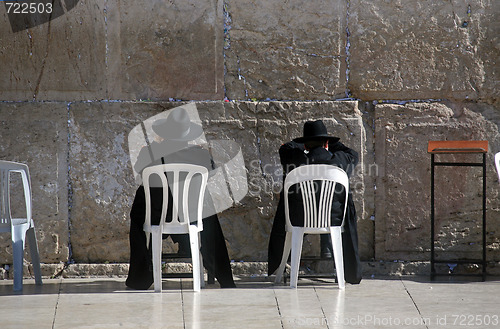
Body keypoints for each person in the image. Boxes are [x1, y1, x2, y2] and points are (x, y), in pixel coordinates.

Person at [126, 107, 236, 289]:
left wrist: (155, 146)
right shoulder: (199, 154)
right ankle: (222, 275)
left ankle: (140, 276)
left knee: (137, 217)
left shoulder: (151, 152)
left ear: (166, 133)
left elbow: (139, 169)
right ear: (187, 136)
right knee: (208, 211)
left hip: (157, 214)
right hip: (190, 214)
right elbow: (212, 173)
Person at [268, 120, 362, 284]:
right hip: (334, 221)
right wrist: (331, 143)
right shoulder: (341, 160)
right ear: (327, 143)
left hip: (298, 221)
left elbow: (285, 147)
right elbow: (352, 152)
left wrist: (303, 144)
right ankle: (330, 252)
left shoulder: (294, 160)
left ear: (305, 145)